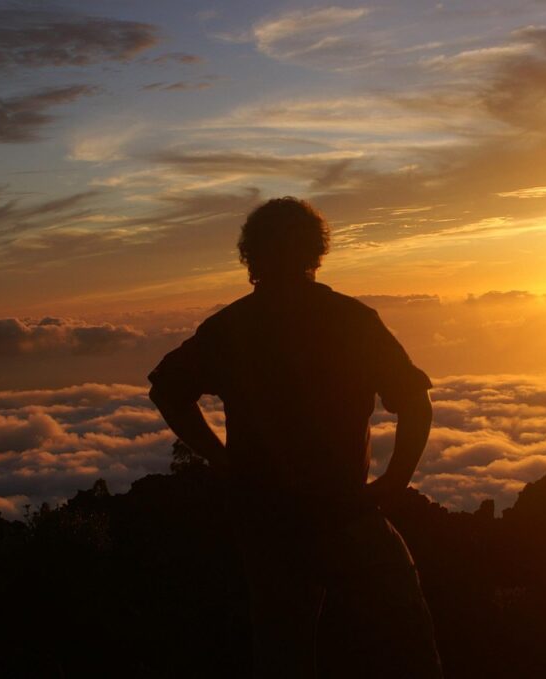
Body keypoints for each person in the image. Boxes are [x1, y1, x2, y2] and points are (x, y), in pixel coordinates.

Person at [148, 197, 444, 678]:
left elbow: (167, 390)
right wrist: (394, 483)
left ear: (251, 255)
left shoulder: (232, 327)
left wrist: (220, 460)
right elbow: (415, 401)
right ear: (316, 251)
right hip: (344, 511)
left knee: (283, 650)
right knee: (406, 639)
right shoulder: (351, 321)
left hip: (267, 518)